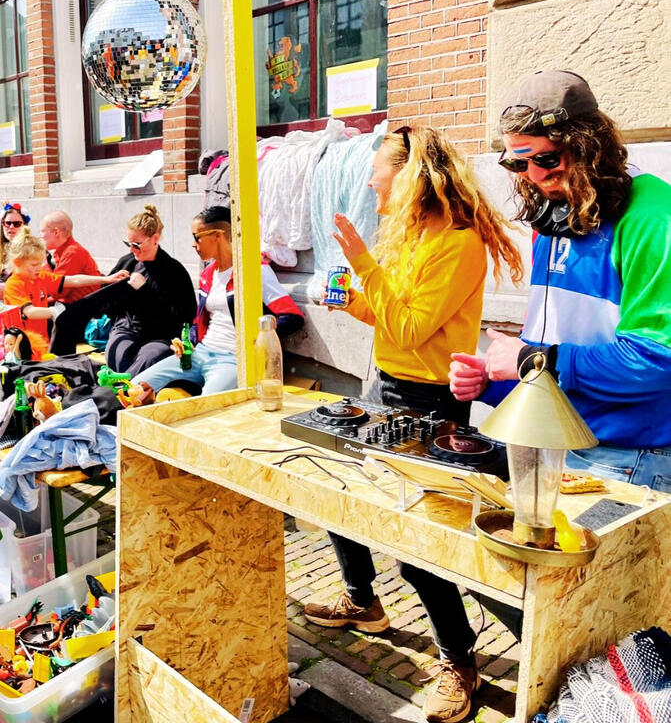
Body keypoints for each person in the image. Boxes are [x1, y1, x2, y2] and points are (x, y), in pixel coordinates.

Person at [304, 126, 524, 723]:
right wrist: (348, 296)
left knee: (417, 551)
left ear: (412, 178)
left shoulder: (459, 243)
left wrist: (362, 263)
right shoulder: (409, 235)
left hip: (430, 403)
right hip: (383, 386)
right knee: (340, 496)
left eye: (379, 178)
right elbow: (387, 317)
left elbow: (409, 329)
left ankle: (460, 660)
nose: (372, 188)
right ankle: (361, 601)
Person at [449, 69, 671, 491]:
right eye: (518, 162)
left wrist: (535, 360)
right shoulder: (552, 220)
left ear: (589, 146)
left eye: (547, 159)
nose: (534, 175)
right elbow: (550, 353)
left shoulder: (654, 217)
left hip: (628, 457)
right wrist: (494, 380)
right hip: (552, 442)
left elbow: (660, 360)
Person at [134, 205, 304, 395]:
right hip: (199, 354)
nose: (193, 244)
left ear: (218, 235)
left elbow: (292, 316)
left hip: (233, 360)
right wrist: (187, 341)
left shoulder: (254, 271)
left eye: (197, 237)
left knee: (207, 406)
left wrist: (260, 339)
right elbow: (200, 321)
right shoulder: (208, 274)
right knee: (134, 389)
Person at [103, 204, 197, 378]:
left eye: (136, 244)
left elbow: (181, 317)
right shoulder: (127, 262)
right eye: (128, 244)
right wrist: (112, 286)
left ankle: (122, 390)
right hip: (128, 327)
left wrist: (144, 291)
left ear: (155, 238)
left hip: (161, 334)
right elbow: (107, 306)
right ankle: (120, 388)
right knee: (118, 354)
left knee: (149, 358)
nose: (132, 249)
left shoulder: (173, 271)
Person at [3, 227, 128, 351]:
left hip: (41, 343)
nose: (39, 268)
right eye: (34, 265)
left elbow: (73, 280)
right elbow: (30, 312)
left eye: (41, 264)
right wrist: (56, 311)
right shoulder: (14, 284)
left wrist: (107, 279)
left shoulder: (40, 277)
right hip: (19, 347)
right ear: (18, 262)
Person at [39, 211, 101, 302]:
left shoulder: (72, 252)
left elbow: (57, 291)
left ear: (56, 232)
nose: (40, 236)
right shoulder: (64, 250)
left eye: (42, 231)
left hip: (78, 309)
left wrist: (42, 262)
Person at [0, 202, 30, 295]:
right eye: (7, 223)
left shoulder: (32, 250)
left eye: (17, 224)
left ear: (24, 226)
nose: (11, 227)